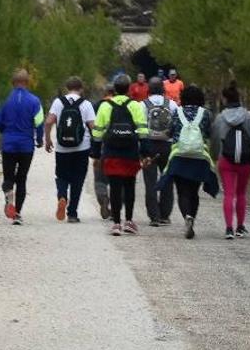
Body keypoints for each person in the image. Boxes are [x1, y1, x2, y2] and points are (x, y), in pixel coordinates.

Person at [157, 84, 218, 239]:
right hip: (199, 158)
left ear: (183, 98)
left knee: (182, 192)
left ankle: (187, 218)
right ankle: (192, 215)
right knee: (193, 192)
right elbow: (210, 134)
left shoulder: (177, 112)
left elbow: (169, 132)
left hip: (179, 157)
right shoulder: (206, 114)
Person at [210, 84, 250, 239]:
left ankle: (229, 228)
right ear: (239, 98)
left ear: (225, 99)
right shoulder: (249, 116)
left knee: (228, 194)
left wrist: (215, 156)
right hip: (245, 161)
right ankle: (240, 227)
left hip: (226, 160)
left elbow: (215, 140)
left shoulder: (220, 118)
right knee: (241, 193)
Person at [91, 74, 149, 236]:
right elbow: (143, 131)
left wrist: (95, 154)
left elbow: (97, 132)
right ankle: (129, 221)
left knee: (114, 187)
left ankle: (116, 223)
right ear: (129, 88)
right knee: (129, 186)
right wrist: (145, 153)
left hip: (111, 152)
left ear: (115, 89)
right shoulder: (136, 106)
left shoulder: (105, 106)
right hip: (131, 153)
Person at [0, 68, 44, 225]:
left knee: (8, 177)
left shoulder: (4, 100)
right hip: (26, 145)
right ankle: (18, 214)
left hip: (9, 144)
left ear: (12, 82)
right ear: (27, 82)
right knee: (22, 179)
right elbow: (39, 122)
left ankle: (8, 194)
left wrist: (4, 131)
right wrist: (39, 139)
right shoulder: (35, 101)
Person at [44, 76, 97, 223]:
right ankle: (72, 213)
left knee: (61, 176)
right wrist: (98, 144)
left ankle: (62, 196)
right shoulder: (86, 104)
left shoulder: (58, 102)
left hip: (62, 148)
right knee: (78, 179)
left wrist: (47, 139)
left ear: (67, 87)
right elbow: (93, 126)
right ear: (81, 88)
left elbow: (48, 122)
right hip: (82, 147)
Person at [140, 76, 177, 226]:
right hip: (167, 146)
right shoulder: (172, 105)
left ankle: (153, 216)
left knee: (150, 182)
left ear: (148, 89)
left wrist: (141, 150)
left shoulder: (142, 105)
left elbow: (140, 127)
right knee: (167, 179)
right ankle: (165, 215)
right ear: (163, 89)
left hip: (149, 146)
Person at [90, 83, 114, 220]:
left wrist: (95, 153)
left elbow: (94, 128)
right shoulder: (122, 105)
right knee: (118, 179)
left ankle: (103, 199)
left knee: (100, 179)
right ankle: (116, 207)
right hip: (118, 147)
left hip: (102, 146)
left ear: (104, 93)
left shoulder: (97, 106)